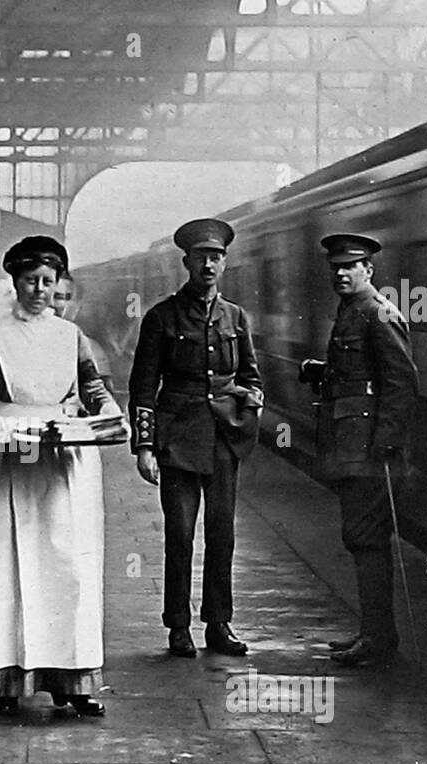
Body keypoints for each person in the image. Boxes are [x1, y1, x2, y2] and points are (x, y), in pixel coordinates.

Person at [0, 235, 119, 717]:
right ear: (15, 282)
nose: (40, 290)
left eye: (48, 281)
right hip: (7, 453)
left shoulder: (71, 335)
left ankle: (73, 681)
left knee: (66, 568)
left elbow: (92, 387)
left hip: (64, 457)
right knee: (2, 566)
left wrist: (109, 413)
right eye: (30, 281)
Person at [128, 218, 263, 658]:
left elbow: (251, 376)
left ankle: (219, 623)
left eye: (216, 257)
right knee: (180, 533)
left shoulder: (236, 317)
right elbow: (143, 387)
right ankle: (179, 626)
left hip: (223, 438)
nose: (209, 264)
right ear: (186, 262)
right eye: (201, 256)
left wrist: (247, 409)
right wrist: (145, 446)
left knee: (222, 533)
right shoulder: (162, 317)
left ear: (225, 263)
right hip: (178, 439)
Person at [299, 234, 418, 668]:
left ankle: (378, 638)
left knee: (366, 538)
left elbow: (402, 383)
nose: (342, 274)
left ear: (369, 269)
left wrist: (386, 442)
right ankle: (373, 632)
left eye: (351, 266)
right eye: (336, 268)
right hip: (351, 447)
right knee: (360, 538)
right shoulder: (352, 311)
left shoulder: (378, 313)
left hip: (370, 451)